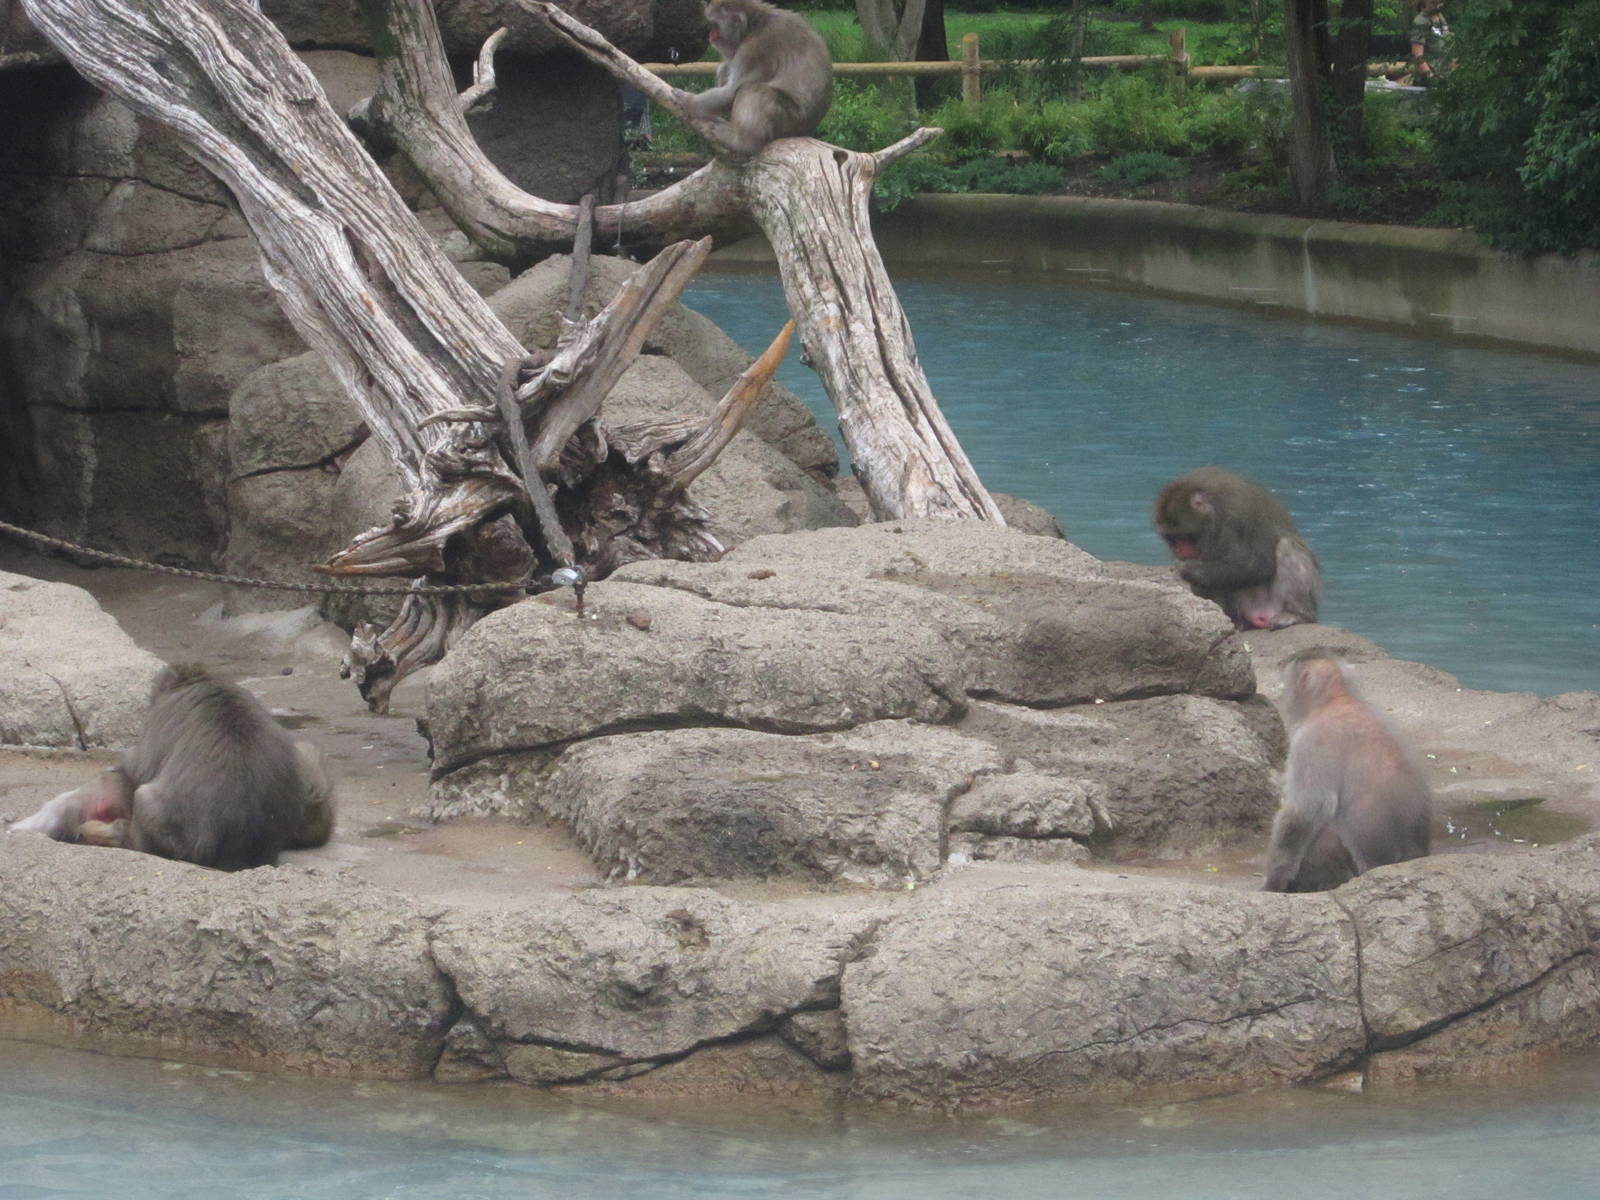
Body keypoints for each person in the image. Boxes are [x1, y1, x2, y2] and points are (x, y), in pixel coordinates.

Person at [1408, 0, 1450, 85]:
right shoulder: (1420, 22)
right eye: (1433, 3)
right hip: (1426, 80)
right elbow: (1417, 56)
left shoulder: (1441, 17)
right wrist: (1431, 78)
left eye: (1439, 3)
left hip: (1444, 76)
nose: (1437, 6)